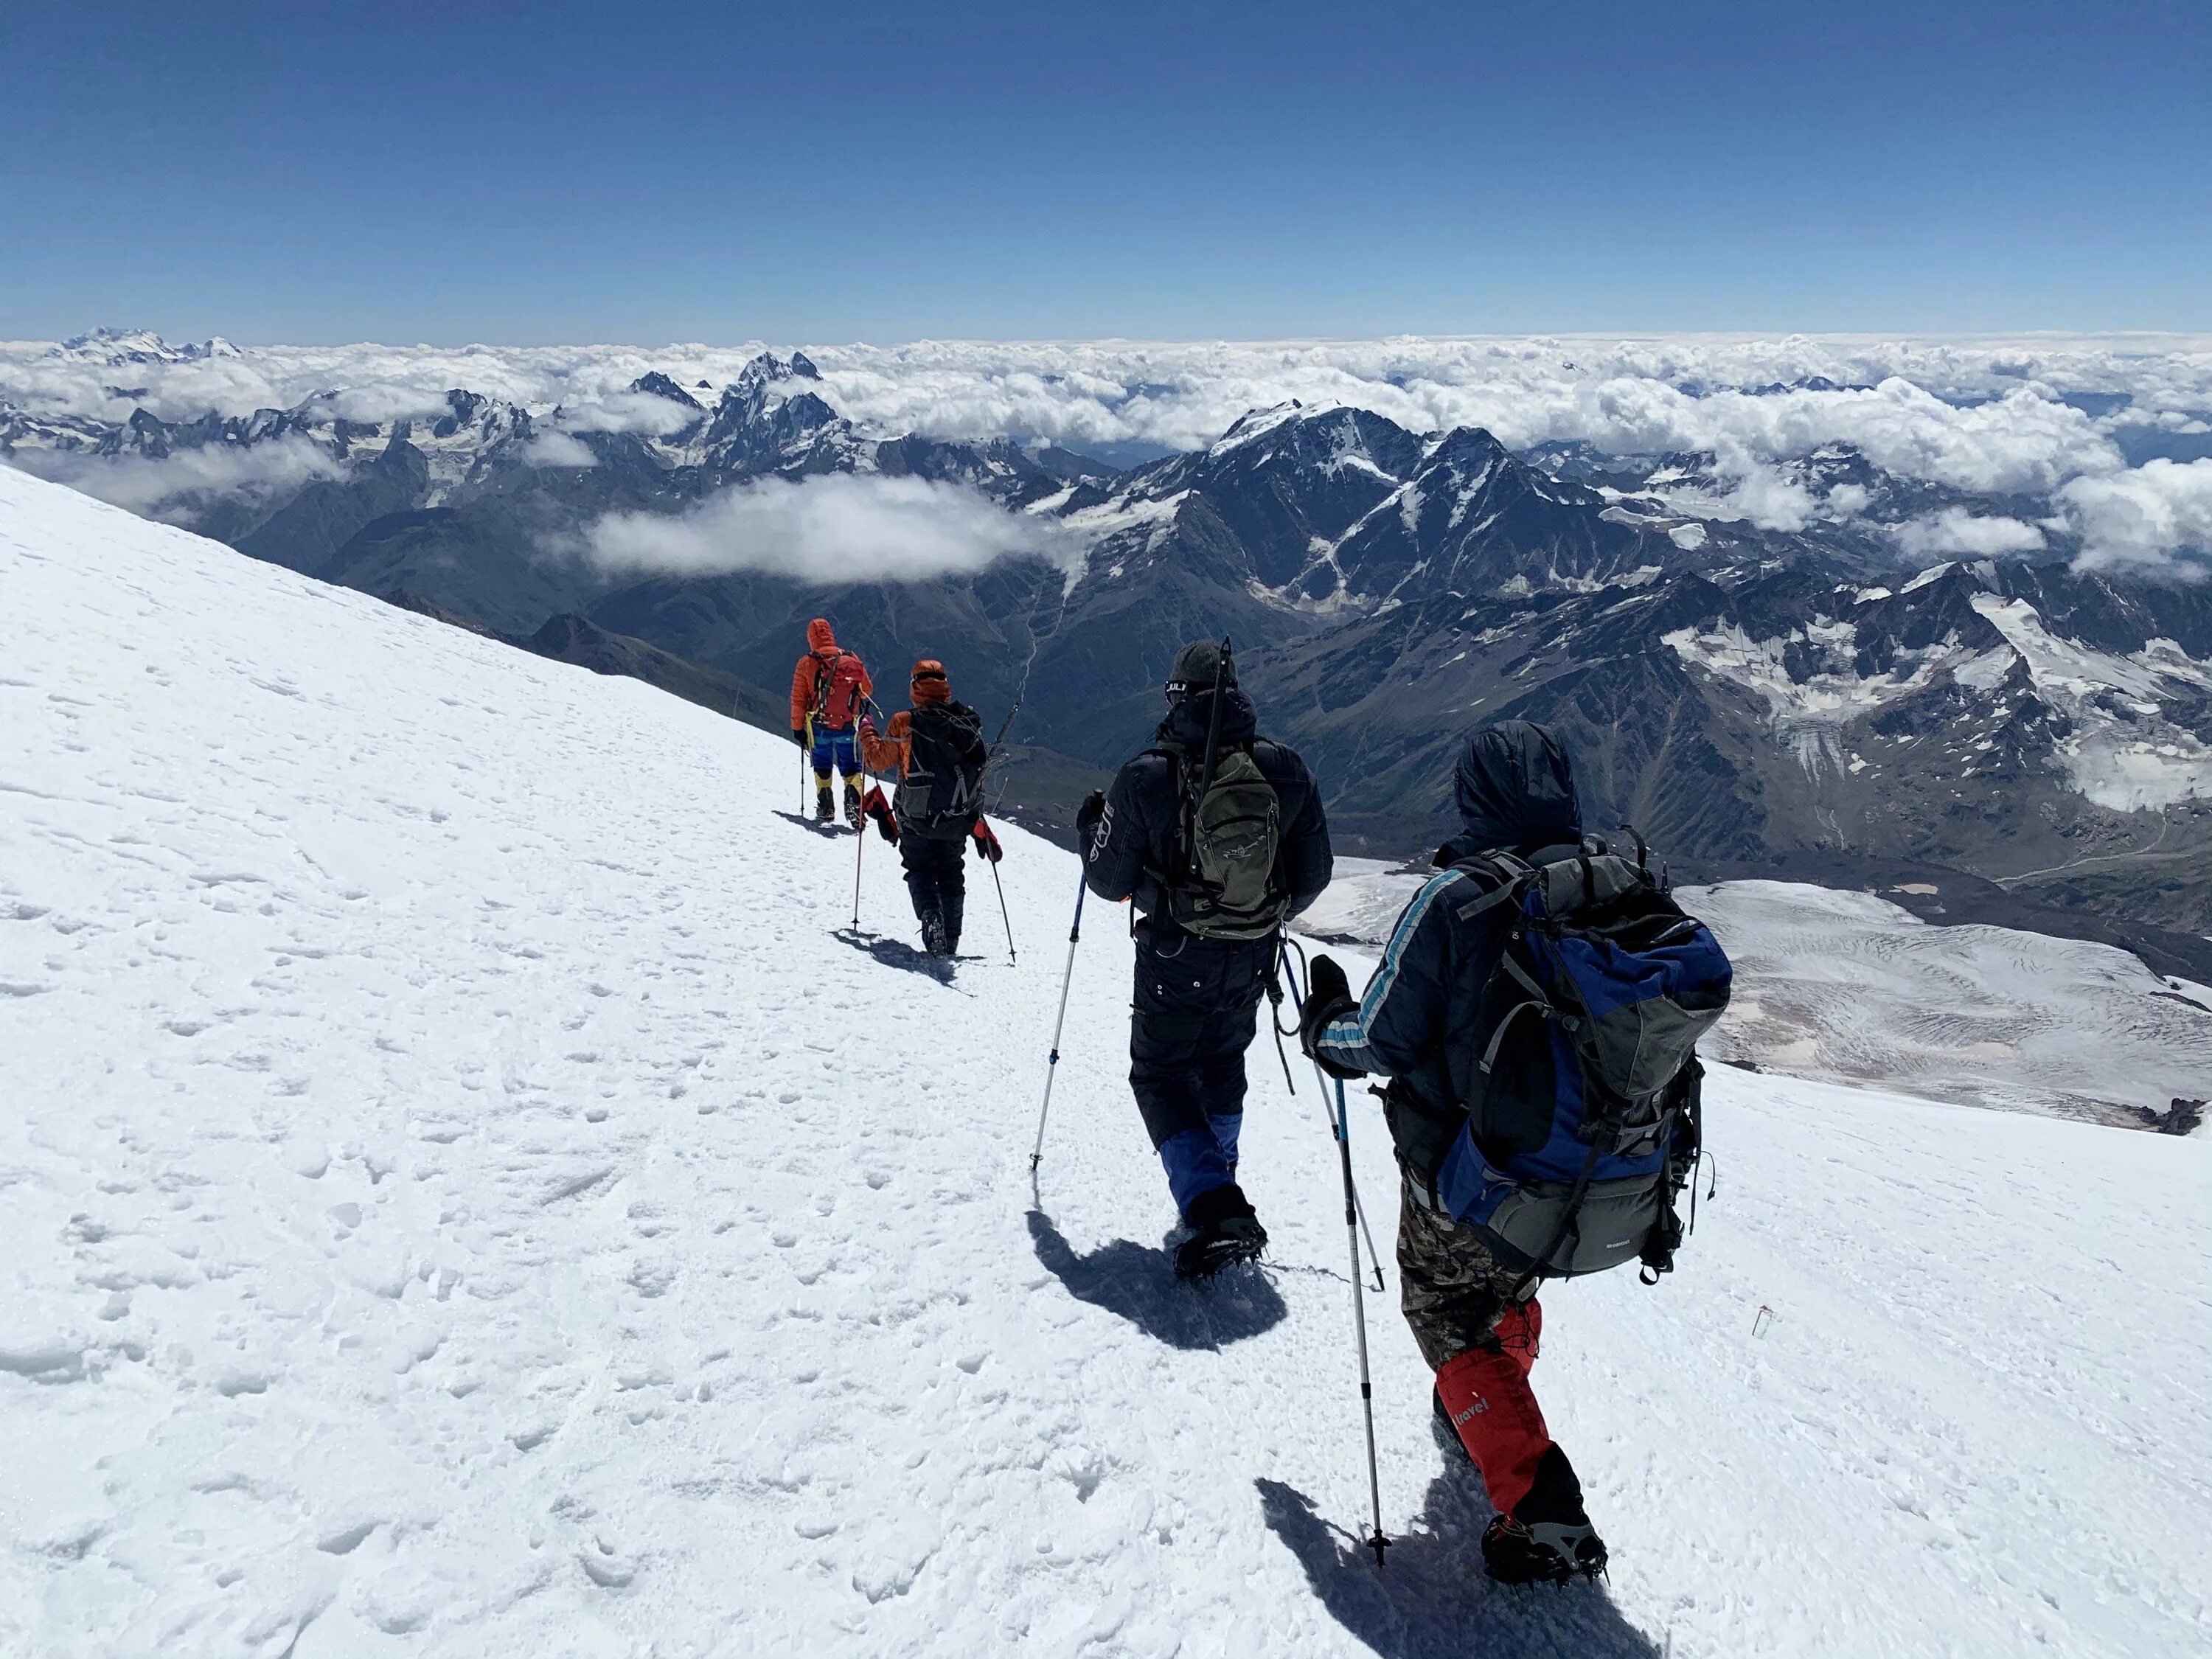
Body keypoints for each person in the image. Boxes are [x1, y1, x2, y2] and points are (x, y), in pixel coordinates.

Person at [1296, 720, 1721, 1585]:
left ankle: (1537, 1508)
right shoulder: (1621, 884)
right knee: (1505, 1288)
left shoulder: (1456, 900)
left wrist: (1320, 1027)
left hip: (1469, 1172)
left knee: (1445, 1315)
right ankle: (1492, 1401)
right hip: (1597, 1172)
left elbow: (1377, 1039)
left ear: (1474, 798)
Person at [1077, 639, 1332, 1279]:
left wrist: (1091, 830)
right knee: (1221, 1063)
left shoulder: (1147, 777)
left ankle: (1215, 1206)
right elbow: (1314, 874)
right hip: (1251, 959)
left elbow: (1109, 882)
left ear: (1177, 698)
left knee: (1160, 1075)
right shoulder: (1286, 770)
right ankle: (1220, 1182)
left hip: (1173, 955)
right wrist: (1258, 913)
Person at [858, 659, 997, 956]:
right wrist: (977, 820)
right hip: (956, 818)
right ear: (945, 687)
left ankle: (930, 915)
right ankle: (951, 936)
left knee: (919, 868)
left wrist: (866, 730)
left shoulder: (904, 721)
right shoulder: (966, 722)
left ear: (916, 687)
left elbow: (878, 761)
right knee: (951, 871)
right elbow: (975, 775)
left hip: (914, 817)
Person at [790, 618, 873, 827]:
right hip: (847, 725)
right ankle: (855, 806)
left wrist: (797, 728)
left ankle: (826, 807)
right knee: (851, 767)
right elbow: (867, 690)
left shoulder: (807, 663)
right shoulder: (850, 658)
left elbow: (799, 700)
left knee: (822, 764)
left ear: (811, 638)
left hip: (818, 726)